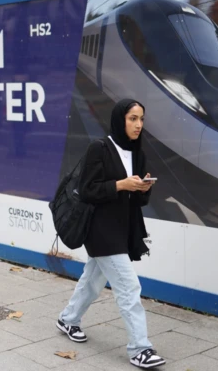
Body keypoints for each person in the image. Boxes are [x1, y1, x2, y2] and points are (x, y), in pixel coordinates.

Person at [56, 99, 165, 369]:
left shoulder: (137, 153)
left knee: (93, 280)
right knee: (129, 287)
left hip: (123, 229)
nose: (138, 125)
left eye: (141, 119)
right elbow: (88, 190)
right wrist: (120, 184)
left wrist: (142, 188)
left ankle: (67, 319)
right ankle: (140, 348)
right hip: (100, 230)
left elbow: (138, 202)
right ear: (120, 120)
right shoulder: (100, 148)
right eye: (132, 119)